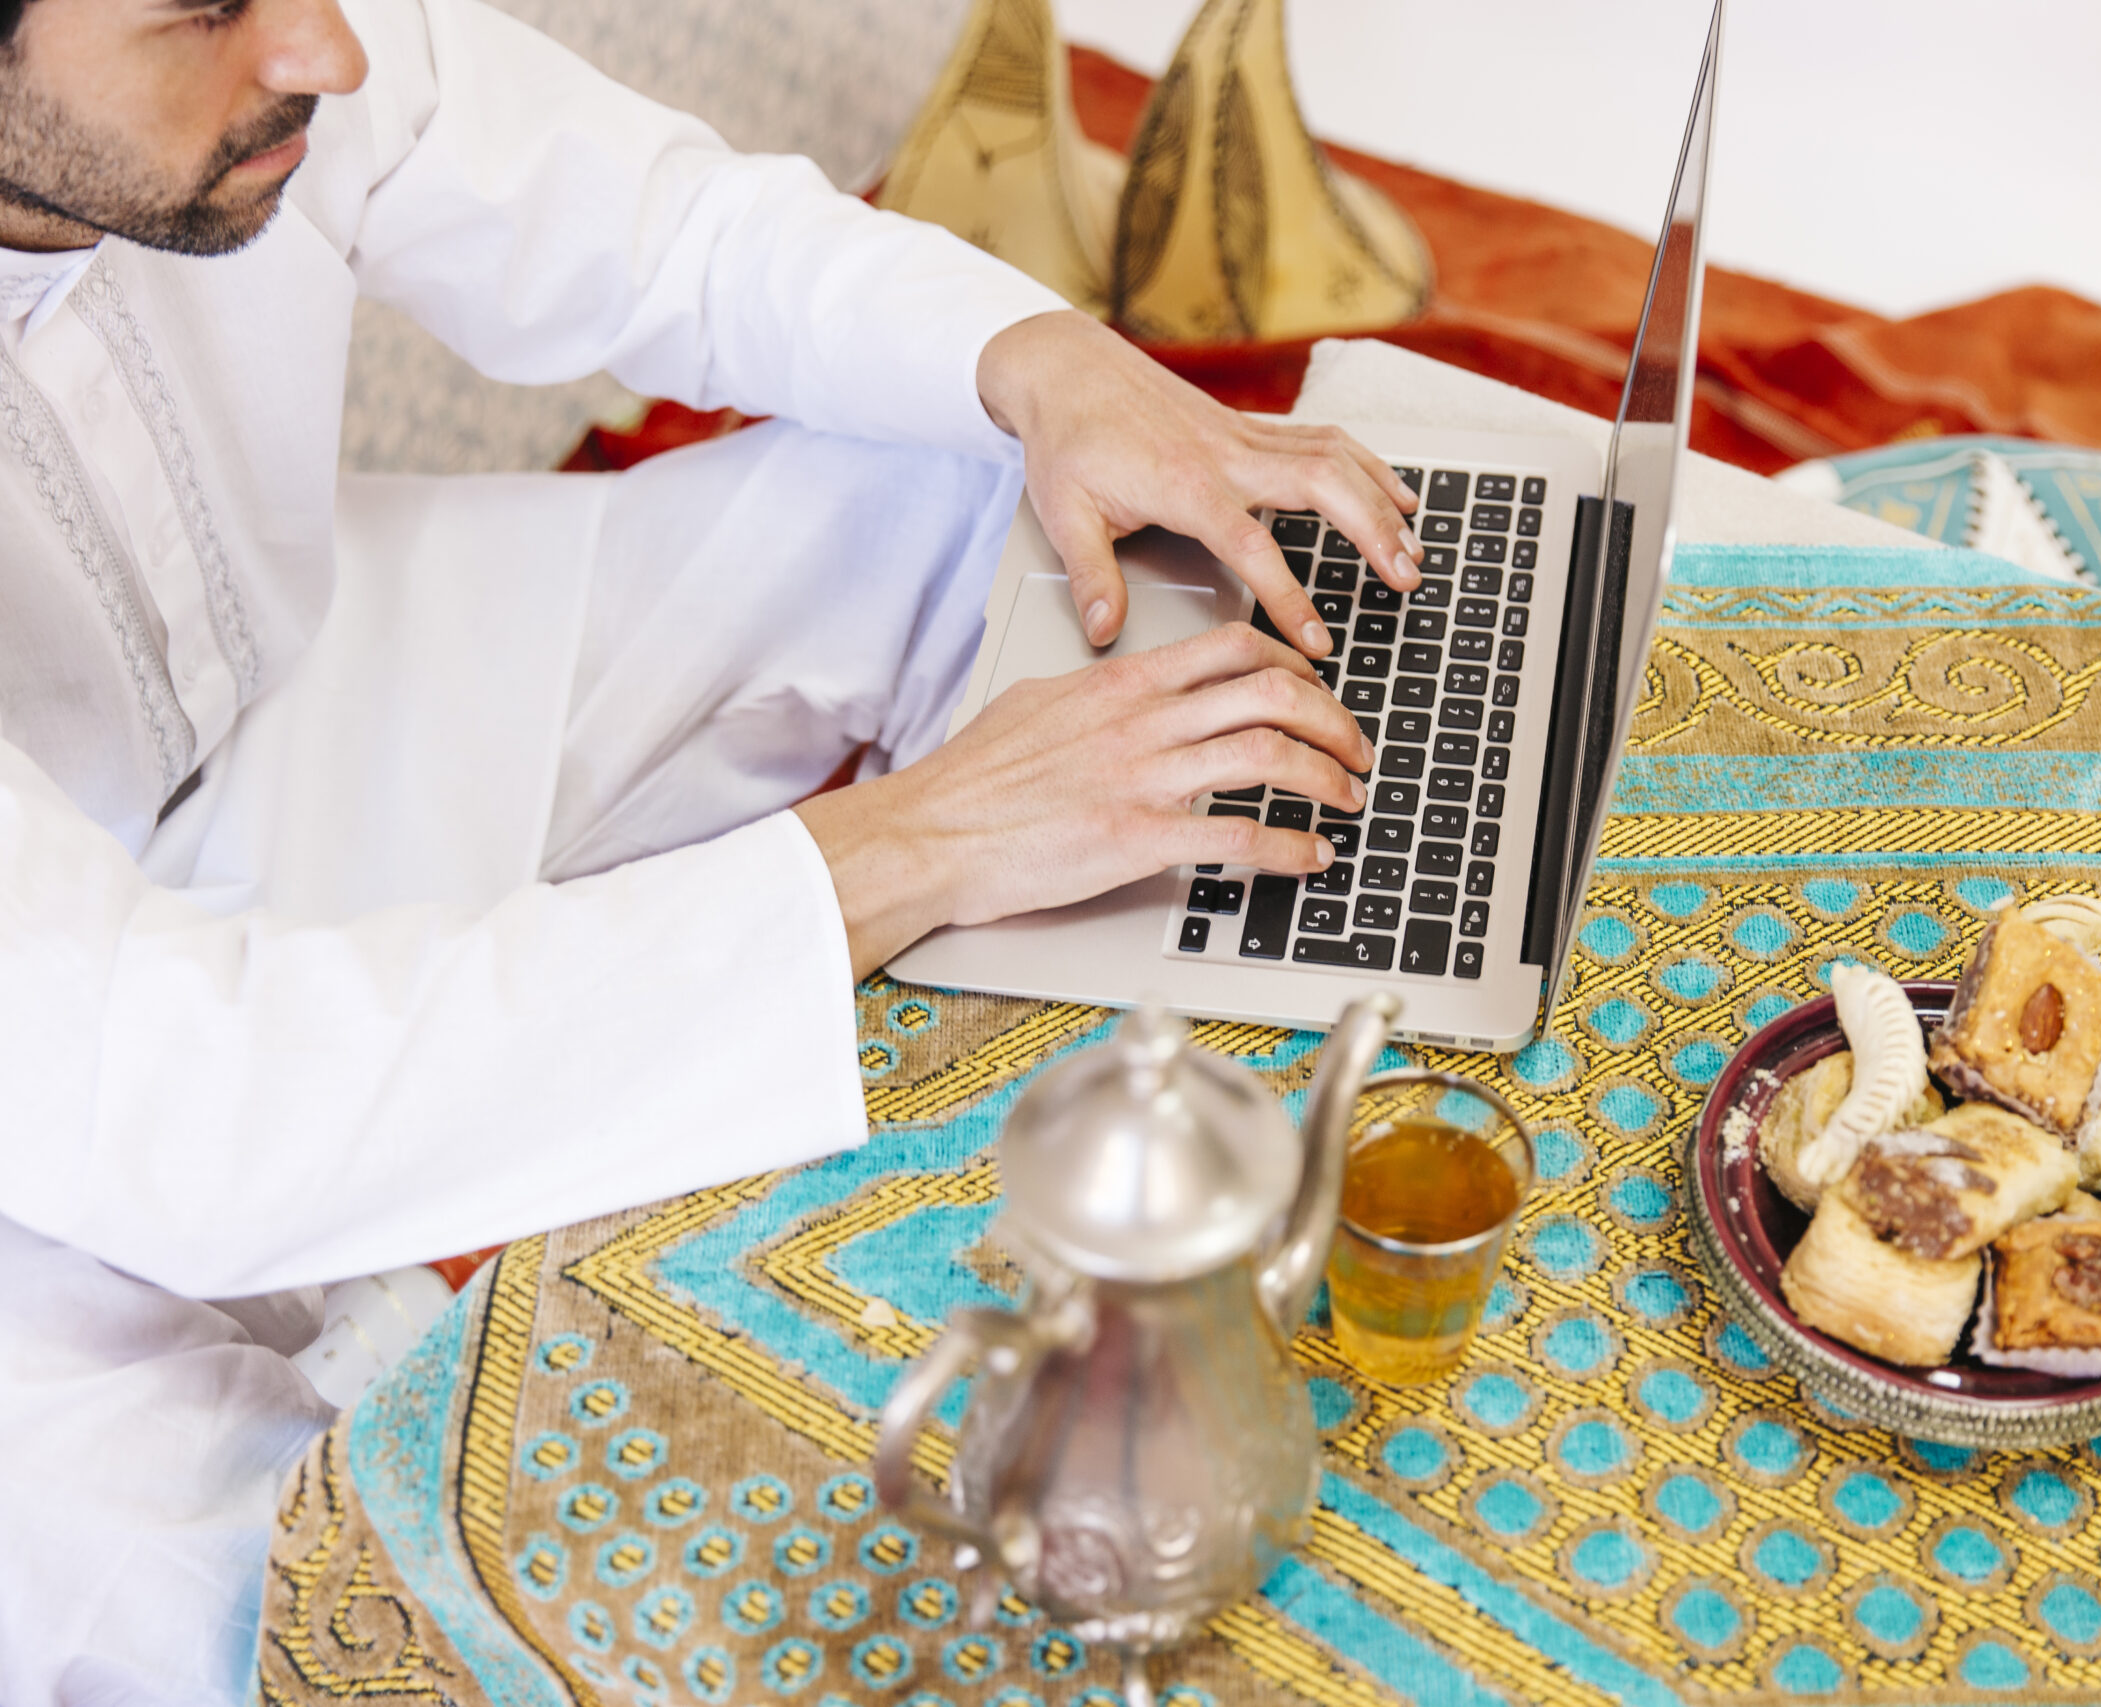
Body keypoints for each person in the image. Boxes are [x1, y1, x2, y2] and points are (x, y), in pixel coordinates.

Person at [0, 0, 1419, 1699]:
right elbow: (199, 1109)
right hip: (68, 1166)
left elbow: (665, 229)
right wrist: (920, 844)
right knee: (304, 1610)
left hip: (296, 711)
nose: (331, 50)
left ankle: (1332, 989)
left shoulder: (275, 53)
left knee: (995, 503)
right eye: (206, 9)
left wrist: (1047, 368)